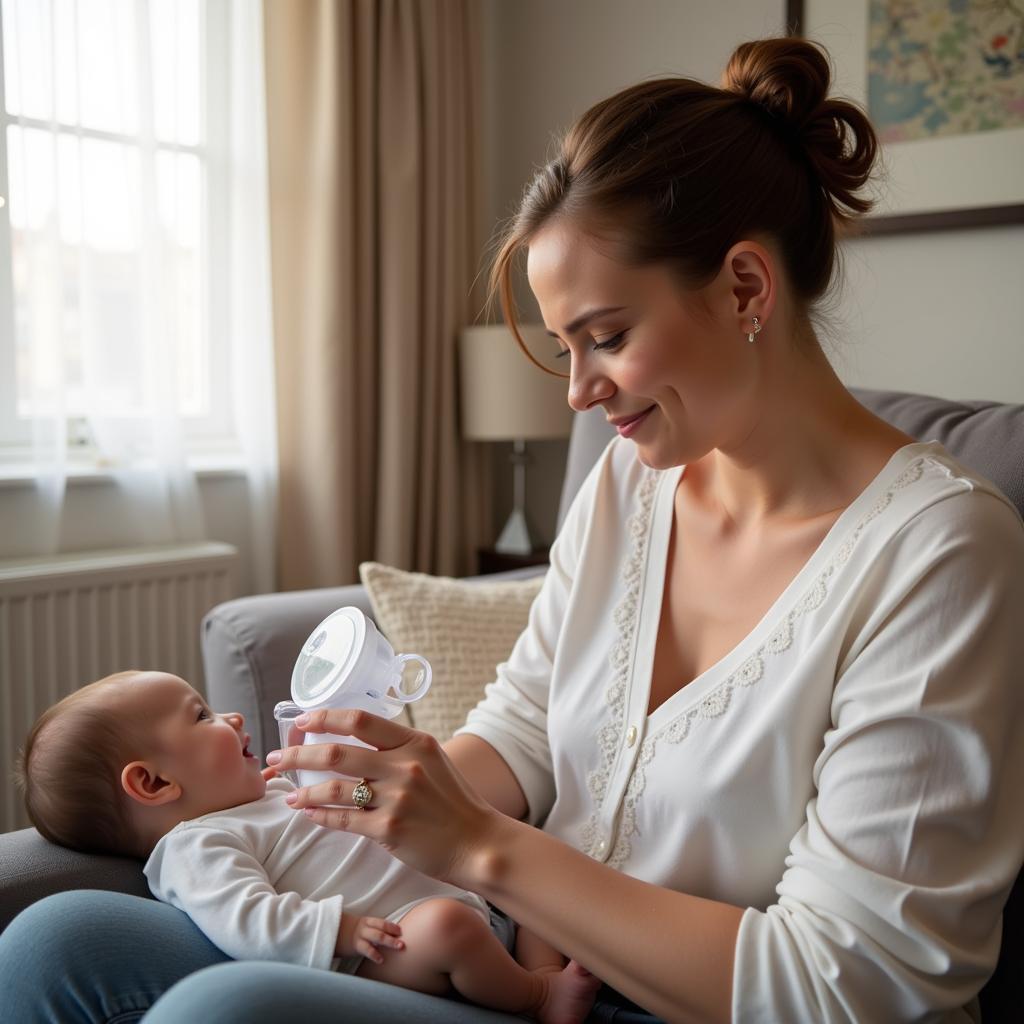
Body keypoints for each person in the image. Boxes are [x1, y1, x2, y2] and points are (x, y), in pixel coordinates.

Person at [2, 34, 1023, 1024]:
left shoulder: (936, 552)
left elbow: (850, 986)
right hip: (520, 956)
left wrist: (479, 848)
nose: (579, 392)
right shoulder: (633, 483)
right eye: (564, 345)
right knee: (54, 943)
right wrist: (393, 785)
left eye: (606, 338)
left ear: (745, 287)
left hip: (688, 1002)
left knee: (228, 1007)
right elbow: (530, 726)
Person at [13, 669, 599, 1023]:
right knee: (450, 928)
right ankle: (535, 996)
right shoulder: (197, 848)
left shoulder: (262, 799)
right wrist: (340, 931)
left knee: (538, 866)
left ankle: (540, 967)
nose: (234, 717)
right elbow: (248, 920)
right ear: (154, 783)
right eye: (202, 716)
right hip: (391, 949)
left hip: (461, 902)